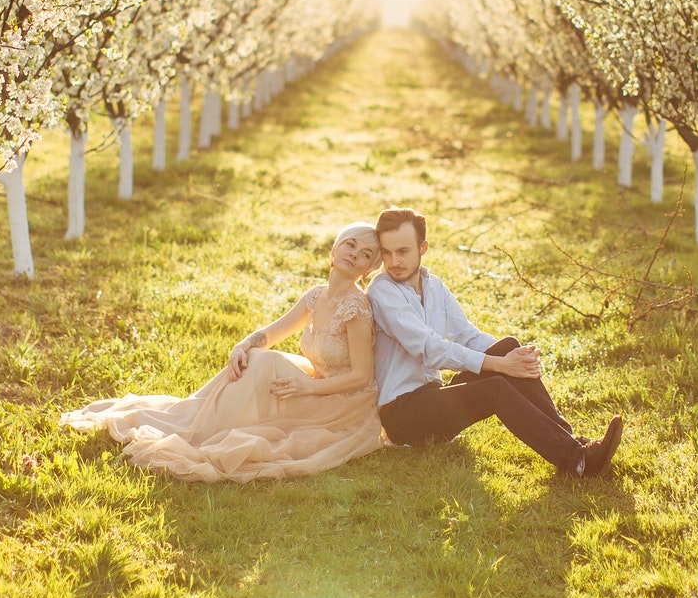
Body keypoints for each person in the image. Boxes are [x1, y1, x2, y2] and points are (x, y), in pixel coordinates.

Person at [62, 223, 386, 482]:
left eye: (365, 253)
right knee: (257, 357)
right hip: (317, 382)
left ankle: (201, 427)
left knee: (264, 363)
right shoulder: (316, 295)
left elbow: (361, 376)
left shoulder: (355, 308)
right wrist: (243, 344)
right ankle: (194, 417)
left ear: (369, 269)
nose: (354, 254)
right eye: (350, 244)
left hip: (342, 402)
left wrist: (308, 386)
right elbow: (273, 332)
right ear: (334, 248)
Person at [367, 206, 622, 477]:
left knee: (509, 345)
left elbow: (467, 334)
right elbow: (430, 348)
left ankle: (575, 443)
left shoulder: (434, 285)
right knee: (495, 387)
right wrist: (499, 365)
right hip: (403, 414)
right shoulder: (382, 290)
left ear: (423, 247)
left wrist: (513, 358)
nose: (394, 261)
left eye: (403, 251)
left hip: (433, 398)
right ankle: (578, 462)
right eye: (387, 252)